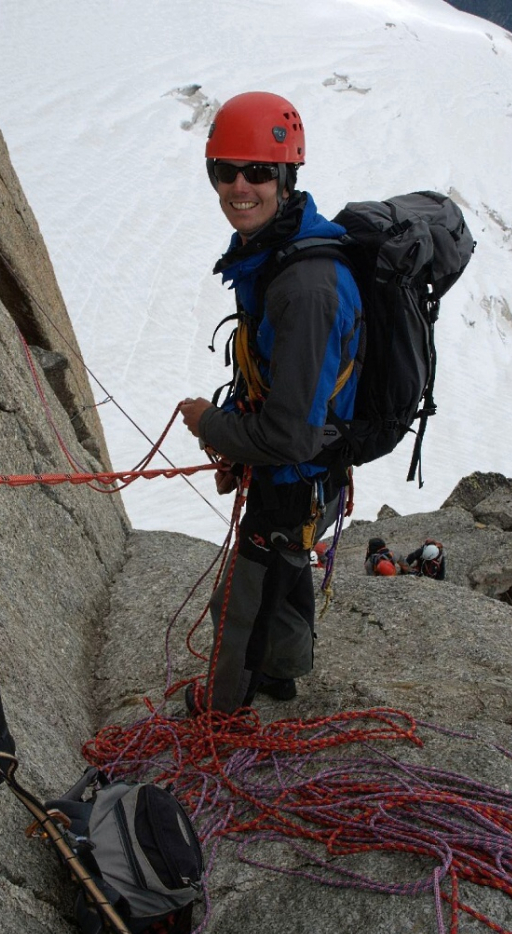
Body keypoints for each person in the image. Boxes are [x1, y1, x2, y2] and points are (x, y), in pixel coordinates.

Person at [180, 91, 363, 714]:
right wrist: (237, 440)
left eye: (258, 172)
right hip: (309, 472)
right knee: (285, 568)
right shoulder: (278, 253)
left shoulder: (306, 287)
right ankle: (282, 678)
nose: (239, 187)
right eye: (224, 171)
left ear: (287, 178)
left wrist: (215, 425)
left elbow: (291, 437)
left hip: (297, 473)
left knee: (241, 600)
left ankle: (224, 715)